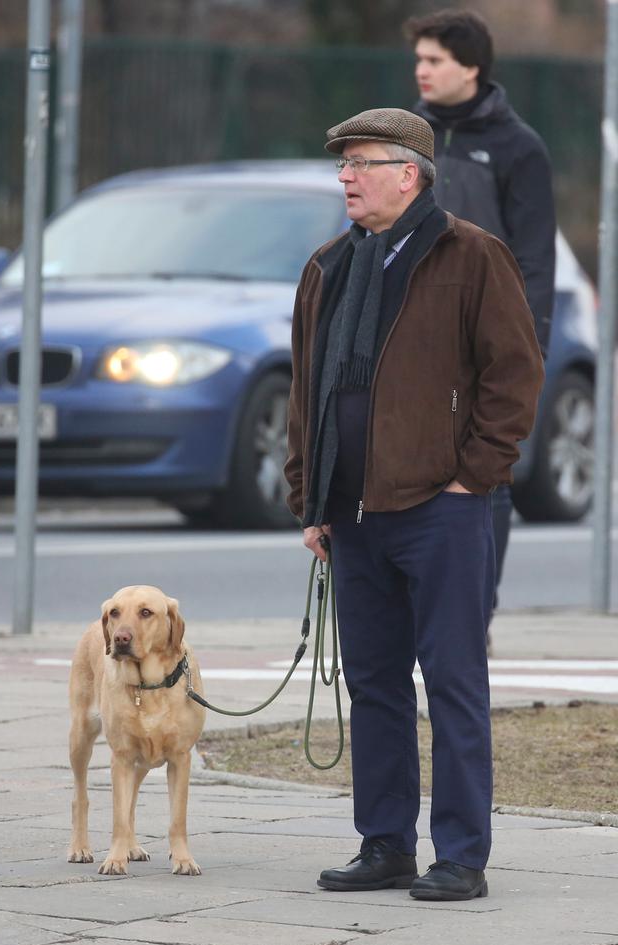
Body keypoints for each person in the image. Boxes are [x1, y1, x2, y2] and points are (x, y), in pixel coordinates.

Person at [284, 107, 544, 900]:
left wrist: (477, 475)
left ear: (411, 173)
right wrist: (312, 499)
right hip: (353, 516)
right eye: (343, 165)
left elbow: (515, 373)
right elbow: (308, 392)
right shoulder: (330, 265)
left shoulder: (470, 256)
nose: (346, 178)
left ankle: (462, 856)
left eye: (361, 162)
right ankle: (386, 843)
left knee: (455, 682)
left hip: (443, 509)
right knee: (374, 684)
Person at [403, 8, 556, 610]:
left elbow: (535, 256)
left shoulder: (519, 147)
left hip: (484, 338)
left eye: (435, 60)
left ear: (471, 67)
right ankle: (419, 608)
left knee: (483, 475)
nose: (422, 70)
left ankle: (474, 610)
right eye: (418, 59)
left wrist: (528, 344)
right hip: (411, 335)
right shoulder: (406, 134)